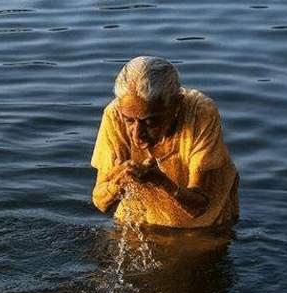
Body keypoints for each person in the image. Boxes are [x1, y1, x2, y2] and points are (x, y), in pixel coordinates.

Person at [91, 56, 239, 228]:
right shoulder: (114, 114)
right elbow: (101, 203)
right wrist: (120, 183)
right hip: (138, 222)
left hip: (204, 226)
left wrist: (161, 182)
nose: (137, 134)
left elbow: (198, 206)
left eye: (151, 122)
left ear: (177, 105)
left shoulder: (201, 113)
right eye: (129, 121)